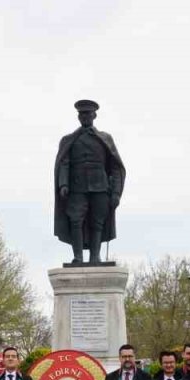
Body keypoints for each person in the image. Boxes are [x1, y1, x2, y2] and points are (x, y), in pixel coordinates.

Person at [53, 98, 126, 264]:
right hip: (76, 186)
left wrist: (116, 193)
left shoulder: (105, 138)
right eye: (81, 114)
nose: (84, 117)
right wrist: (63, 184)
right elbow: (64, 163)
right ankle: (78, 257)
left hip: (100, 186)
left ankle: (95, 257)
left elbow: (115, 166)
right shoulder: (69, 139)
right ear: (78, 117)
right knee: (76, 220)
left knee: (97, 221)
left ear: (94, 115)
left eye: (87, 114)